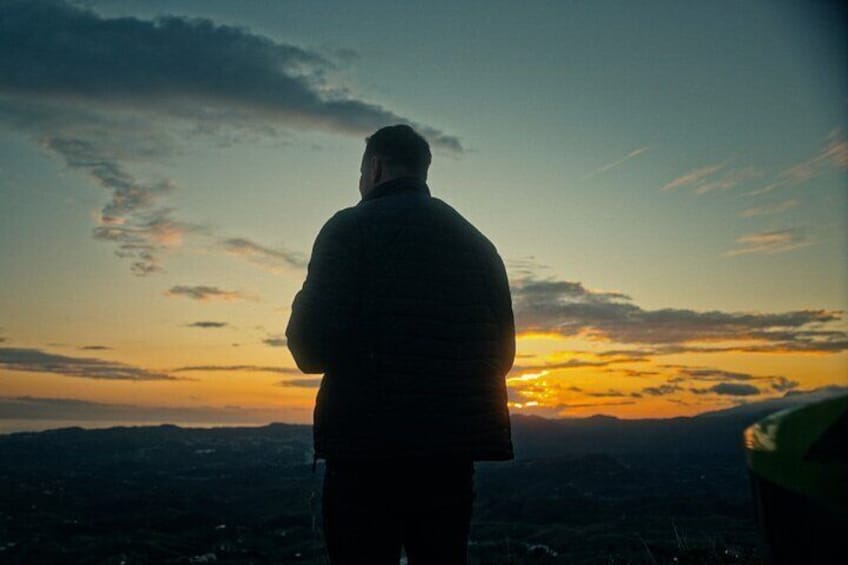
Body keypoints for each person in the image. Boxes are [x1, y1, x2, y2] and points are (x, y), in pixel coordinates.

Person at [286, 124, 515, 564]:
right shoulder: (478, 244)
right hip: (450, 460)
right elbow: (502, 357)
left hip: (365, 457)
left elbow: (308, 350)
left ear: (374, 168)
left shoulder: (348, 229)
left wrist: (305, 296)